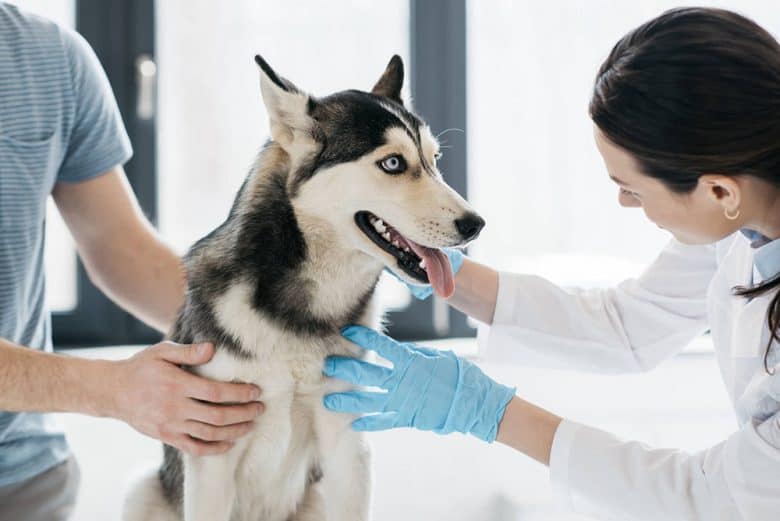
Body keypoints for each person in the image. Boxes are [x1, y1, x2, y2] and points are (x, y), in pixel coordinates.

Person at [323, 7, 780, 520]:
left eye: (631, 189)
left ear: (720, 190)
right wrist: (433, 264)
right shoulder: (742, 223)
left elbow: (711, 498)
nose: (626, 205)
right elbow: (627, 325)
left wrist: (488, 411)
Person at [0, 4, 263, 519]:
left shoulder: (50, 57)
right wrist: (116, 389)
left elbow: (122, 249)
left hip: (27, 477)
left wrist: (265, 329)